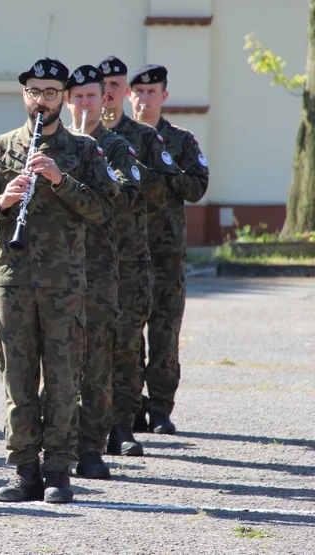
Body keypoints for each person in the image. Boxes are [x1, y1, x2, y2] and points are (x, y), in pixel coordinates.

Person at [0, 58, 118, 503]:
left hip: (64, 284)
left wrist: (61, 180)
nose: (42, 100)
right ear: (24, 95)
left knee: (64, 380)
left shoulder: (85, 151)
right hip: (13, 282)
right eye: (34, 91)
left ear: (64, 98)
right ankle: (23, 469)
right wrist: (2, 201)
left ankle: (58, 472)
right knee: (18, 379)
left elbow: (106, 208)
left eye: (51, 93)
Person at [99, 55, 179, 453]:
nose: (111, 92)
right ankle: (92, 423)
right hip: (88, 258)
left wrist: (131, 169)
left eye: (116, 85)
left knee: (130, 343)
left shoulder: (145, 140)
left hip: (134, 257)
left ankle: (127, 421)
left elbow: (170, 191)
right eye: (105, 86)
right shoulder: (80, 137)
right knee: (91, 343)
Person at [64, 65, 140, 479]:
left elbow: (125, 196)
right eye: (77, 96)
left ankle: (91, 448)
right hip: (55, 269)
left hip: (96, 270)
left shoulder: (114, 147)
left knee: (95, 363)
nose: (84, 103)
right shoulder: (53, 144)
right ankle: (57, 444)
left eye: (92, 96)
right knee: (57, 364)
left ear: (104, 99)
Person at [129, 64, 210, 435]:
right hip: (125, 254)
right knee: (125, 336)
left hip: (165, 255)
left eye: (151, 92)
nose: (144, 99)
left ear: (164, 96)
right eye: (138, 92)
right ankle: (130, 407)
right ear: (130, 95)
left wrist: (168, 169)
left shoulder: (181, 141)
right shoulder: (116, 139)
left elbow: (196, 188)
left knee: (163, 334)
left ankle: (161, 408)